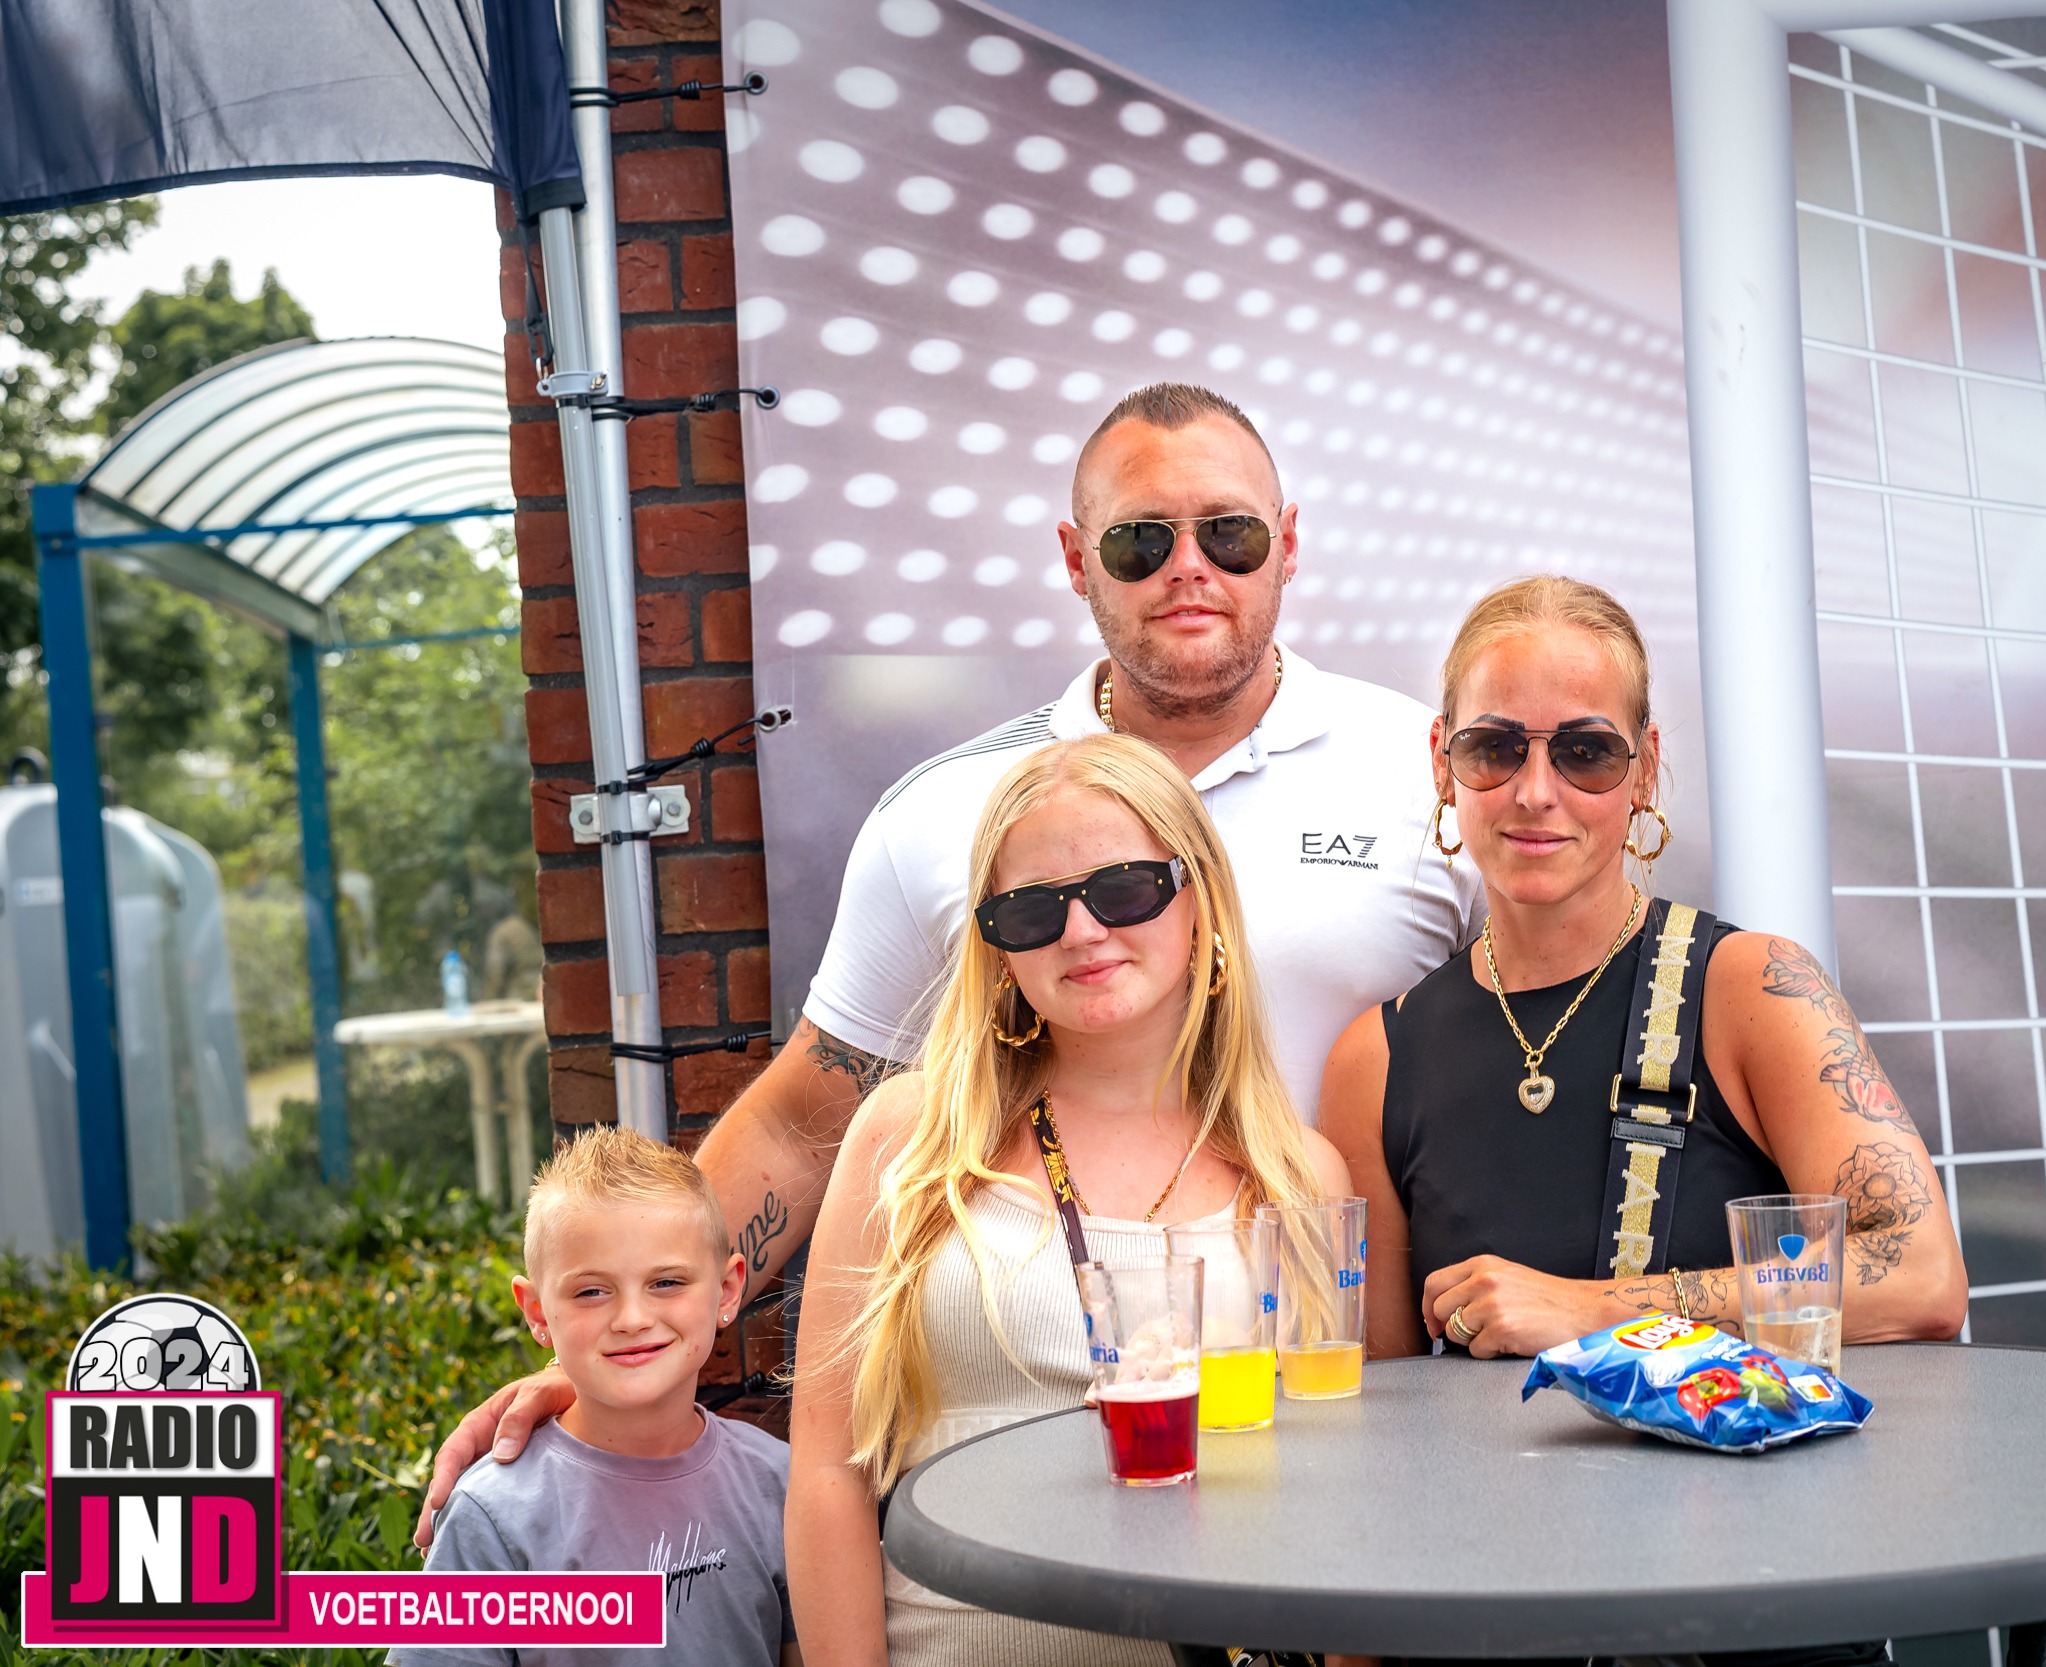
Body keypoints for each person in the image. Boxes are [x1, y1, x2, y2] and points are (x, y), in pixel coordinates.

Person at [420, 380, 1478, 1543]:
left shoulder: (1434, 769)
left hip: (1335, 1388)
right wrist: (618, 1342)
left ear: (1288, 541)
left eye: (1228, 533)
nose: (1189, 568)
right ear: (1075, 559)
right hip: (1018, 1426)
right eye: (1140, 541)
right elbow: (805, 1121)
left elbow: (1549, 1028)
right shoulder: (949, 812)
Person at [788, 733, 1352, 1662]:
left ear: (1200, 897)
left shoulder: (1300, 1177)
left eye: (1124, 889)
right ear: (997, 947)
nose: (1082, 931)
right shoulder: (910, 1140)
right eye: (1031, 909)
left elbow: (1342, 1496)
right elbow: (826, 1474)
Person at [1317, 575, 1968, 1367]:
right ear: (1440, 761)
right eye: (1494, 748)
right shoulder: (1375, 1061)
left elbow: (1924, 1277)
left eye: (1585, 753)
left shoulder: (1751, 988)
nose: (1535, 792)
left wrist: (1590, 1310)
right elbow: (1385, 1398)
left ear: (1646, 768)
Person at [396, 1125, 797, 1667]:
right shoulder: (491, 1514)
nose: (632, 1319)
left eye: (667, 1282)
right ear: (537, 1312)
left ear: (726, 1291)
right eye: (591, 1291)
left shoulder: (780, 1483)